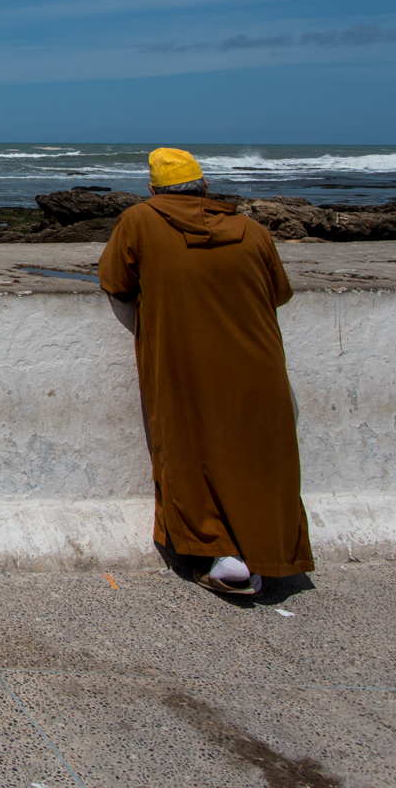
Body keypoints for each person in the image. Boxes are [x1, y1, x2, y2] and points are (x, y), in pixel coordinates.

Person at [98, 147, 312, 597]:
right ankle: (266, 550)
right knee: (259, 456)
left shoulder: (140, 220)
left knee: (190, 448)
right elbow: (279, 293)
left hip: (184, 358)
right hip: (259, 358)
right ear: (206, 187)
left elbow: (116, 282)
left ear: (153, 190)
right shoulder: (252, 229)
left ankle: (219, 554)